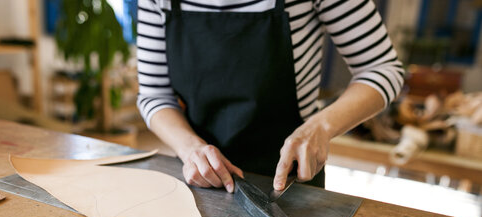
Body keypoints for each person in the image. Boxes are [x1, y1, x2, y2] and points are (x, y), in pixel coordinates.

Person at [136, 0, 404, 193]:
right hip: (200, 179)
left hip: (290, 185)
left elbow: (382, 69)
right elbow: (154, 94)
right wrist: (189, 148)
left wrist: (320, 127)